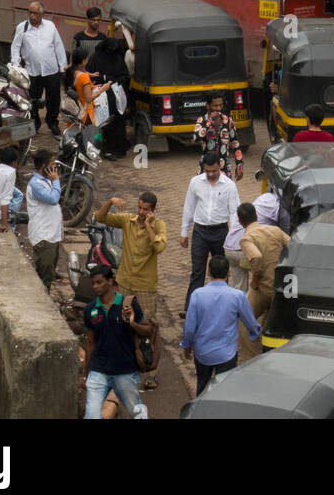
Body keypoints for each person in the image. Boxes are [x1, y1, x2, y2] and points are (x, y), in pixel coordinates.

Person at [180, 254, 262, 395]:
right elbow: (250, 322)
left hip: (202, 353)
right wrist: (255, 334)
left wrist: (187, 345)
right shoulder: (237, 296)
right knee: (224, 392)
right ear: (228, 273)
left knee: (202, 387)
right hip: (227, 355)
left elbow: (189, 328)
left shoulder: (197, 294)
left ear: (209, 272)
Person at [82, 263, 150, 420]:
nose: (95, 287)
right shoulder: (89, 310)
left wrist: (132, 323)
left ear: (110, 281)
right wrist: (86, 373)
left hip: (124, 370)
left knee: (137, 413)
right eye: (93, 283)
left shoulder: (128, 304)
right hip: (98, 370)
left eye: (99, 282)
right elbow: (90, 343)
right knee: (92, 415)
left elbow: (149, 330)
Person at [95, 192, 167, 330]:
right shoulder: (128, 220)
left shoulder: (159, 225)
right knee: (122, 322)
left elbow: (159, 247)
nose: (141, 212)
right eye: (139, 208)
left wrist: (148, 225)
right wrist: (110, 201)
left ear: (153, 210)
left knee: (147, 325)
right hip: (125, 283)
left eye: (145, 209)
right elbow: (100, 217)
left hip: (145, 287)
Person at [180, 151, 240, 312]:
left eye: (214, 171)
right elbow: (189, 207)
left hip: (221, 232)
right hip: (200, 232)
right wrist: (184, 232)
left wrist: (234, 237)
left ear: (220, 166)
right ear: (203, 168)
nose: (211, 174)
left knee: (221, 273)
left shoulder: (229, 185)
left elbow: (234, 212)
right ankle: (191, 309)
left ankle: (222, 308)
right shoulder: (195, 183)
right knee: (197, 271)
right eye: (207, 171)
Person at [10, 1, 67, 138]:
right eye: (30, 12)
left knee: (53, 99)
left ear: (42, 14)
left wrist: (63, 66)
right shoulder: (22, 28)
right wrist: (16, 65)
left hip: (51, 70)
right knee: (33, 99)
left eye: (35, 12)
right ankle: (34, 124)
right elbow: (15, 47)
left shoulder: (50, 26)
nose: (32, 15)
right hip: (32, 71)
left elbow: (58, 45)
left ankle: (52, 123)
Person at [238, 202, 290, 322]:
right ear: (256, 216)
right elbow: (292, 245)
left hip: (264, 287)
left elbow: (256, 257)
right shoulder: (275, 230)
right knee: (268, 320)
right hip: (283, 285)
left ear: (240, 222)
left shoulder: (246, 239)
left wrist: (256, 278)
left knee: (243, 320)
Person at [86, 23, 130, 159]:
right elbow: (90, 74)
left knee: (117, 122)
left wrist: (115, 81)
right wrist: (104, 78)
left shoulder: (118, 58)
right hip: (99, 96)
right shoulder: (96, 57)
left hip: (116, 97)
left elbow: (125, 76)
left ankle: (116, 148)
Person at [26, 149, 63, 289]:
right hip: (44, 237)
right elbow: (53, 199)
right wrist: (56, 180)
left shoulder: (46, 180)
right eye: (53, 164)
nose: (55, 168)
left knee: (49, 272)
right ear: (44, 166)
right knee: (45, 278)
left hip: (52, 235)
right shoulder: (36, 184)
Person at [193, 95, 243, 180]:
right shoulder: (202, 121)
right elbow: (196, 138)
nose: (219, 108)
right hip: (206, 168)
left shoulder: (228, 121)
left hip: (224, 169)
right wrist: (210, 122)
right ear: (208, 106)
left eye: (221, 105)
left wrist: (239, 166)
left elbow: (235, 144)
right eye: (215, 106)